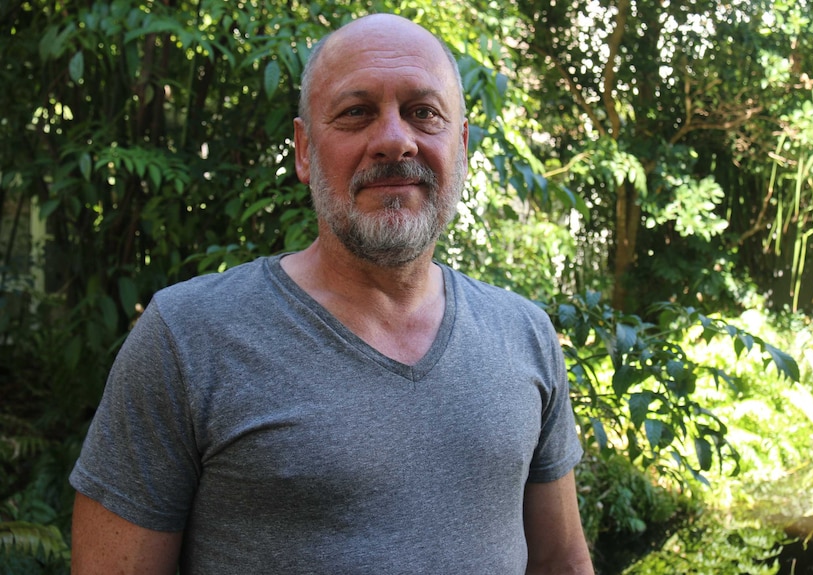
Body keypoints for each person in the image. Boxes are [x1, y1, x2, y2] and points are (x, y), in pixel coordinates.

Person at [69, 13, 595, 575]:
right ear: (303, 150)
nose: (395, 140)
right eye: (356, 113)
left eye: (424, 113)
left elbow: (561, 560)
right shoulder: (188, 338)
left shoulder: (525, 334)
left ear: (460, 146)